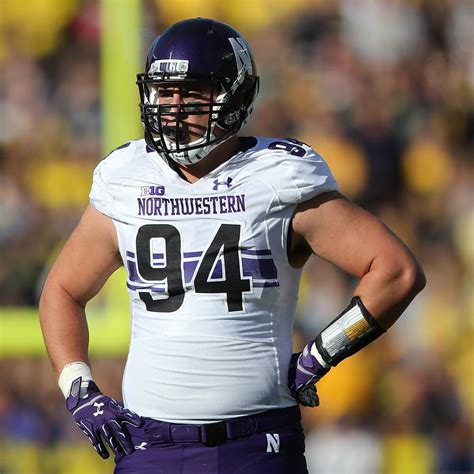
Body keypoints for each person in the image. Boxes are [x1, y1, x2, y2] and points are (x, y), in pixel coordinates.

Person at [39, 17, 426, 474]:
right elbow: (62, 291)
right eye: (166, 93)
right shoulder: (127, 178)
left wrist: (321, 354)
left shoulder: (277, 176)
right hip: (148, 446)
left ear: (235, 96)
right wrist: (79, 387)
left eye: (192, 93)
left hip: (254, 445)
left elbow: (396, 271)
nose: (175, 109)